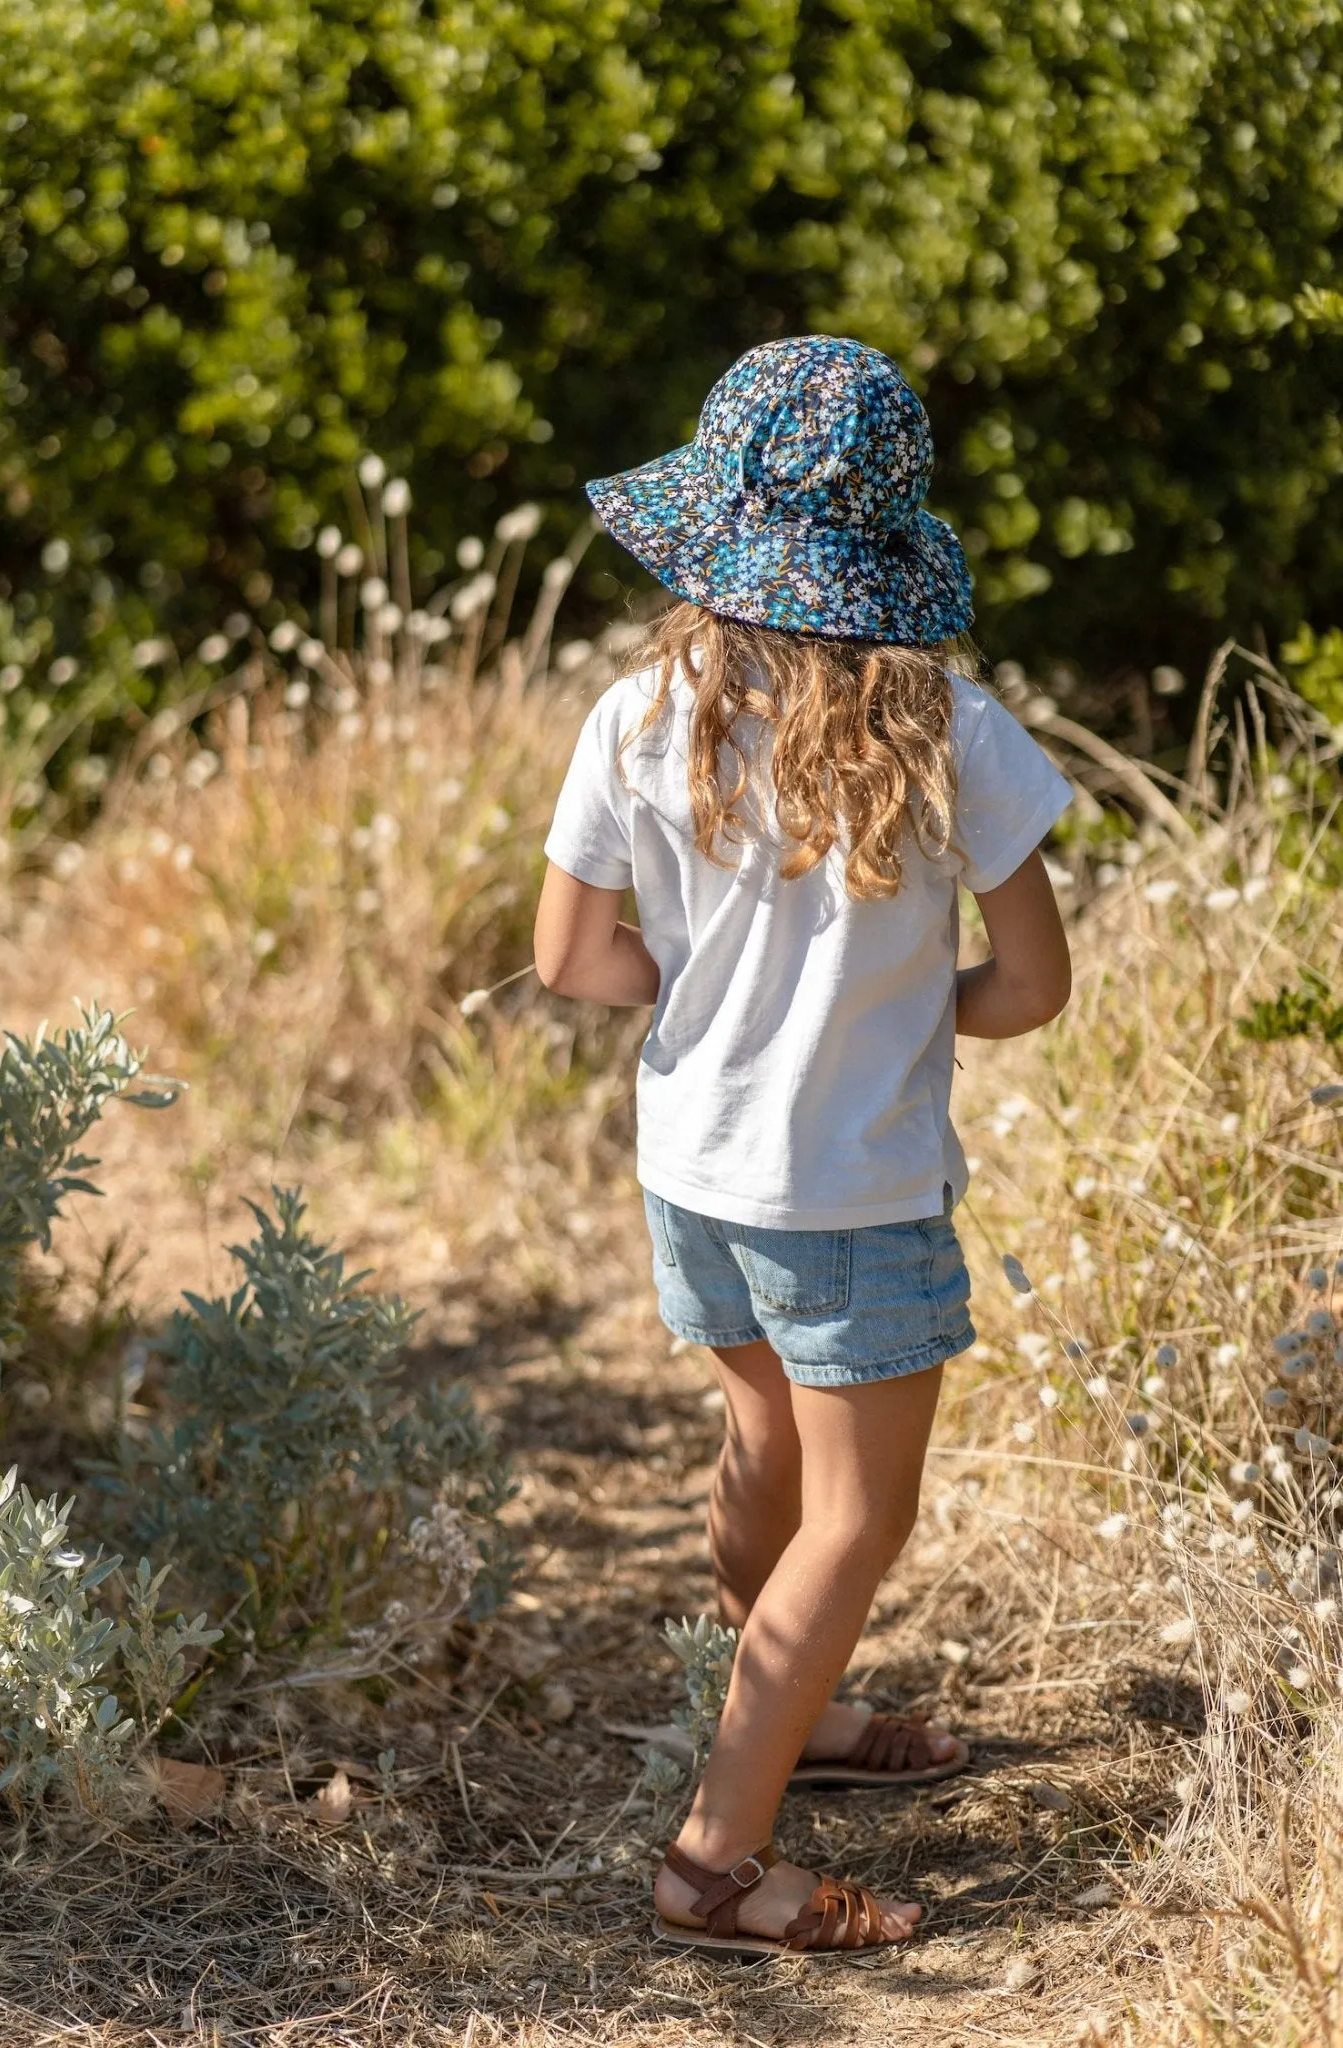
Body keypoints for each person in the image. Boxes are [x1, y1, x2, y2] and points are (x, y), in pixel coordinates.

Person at [533, 335, 1073, 1958]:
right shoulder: (951, 730)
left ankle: (783, 1709)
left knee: (765, 1443)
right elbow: (1033, 987)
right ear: (891, 542)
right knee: (860, 1517)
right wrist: (905, 1018)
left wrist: (710, 1000)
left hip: (693, 1162)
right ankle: (716, 1861)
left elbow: (571, 960)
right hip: (851, 1186)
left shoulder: (643, 710)